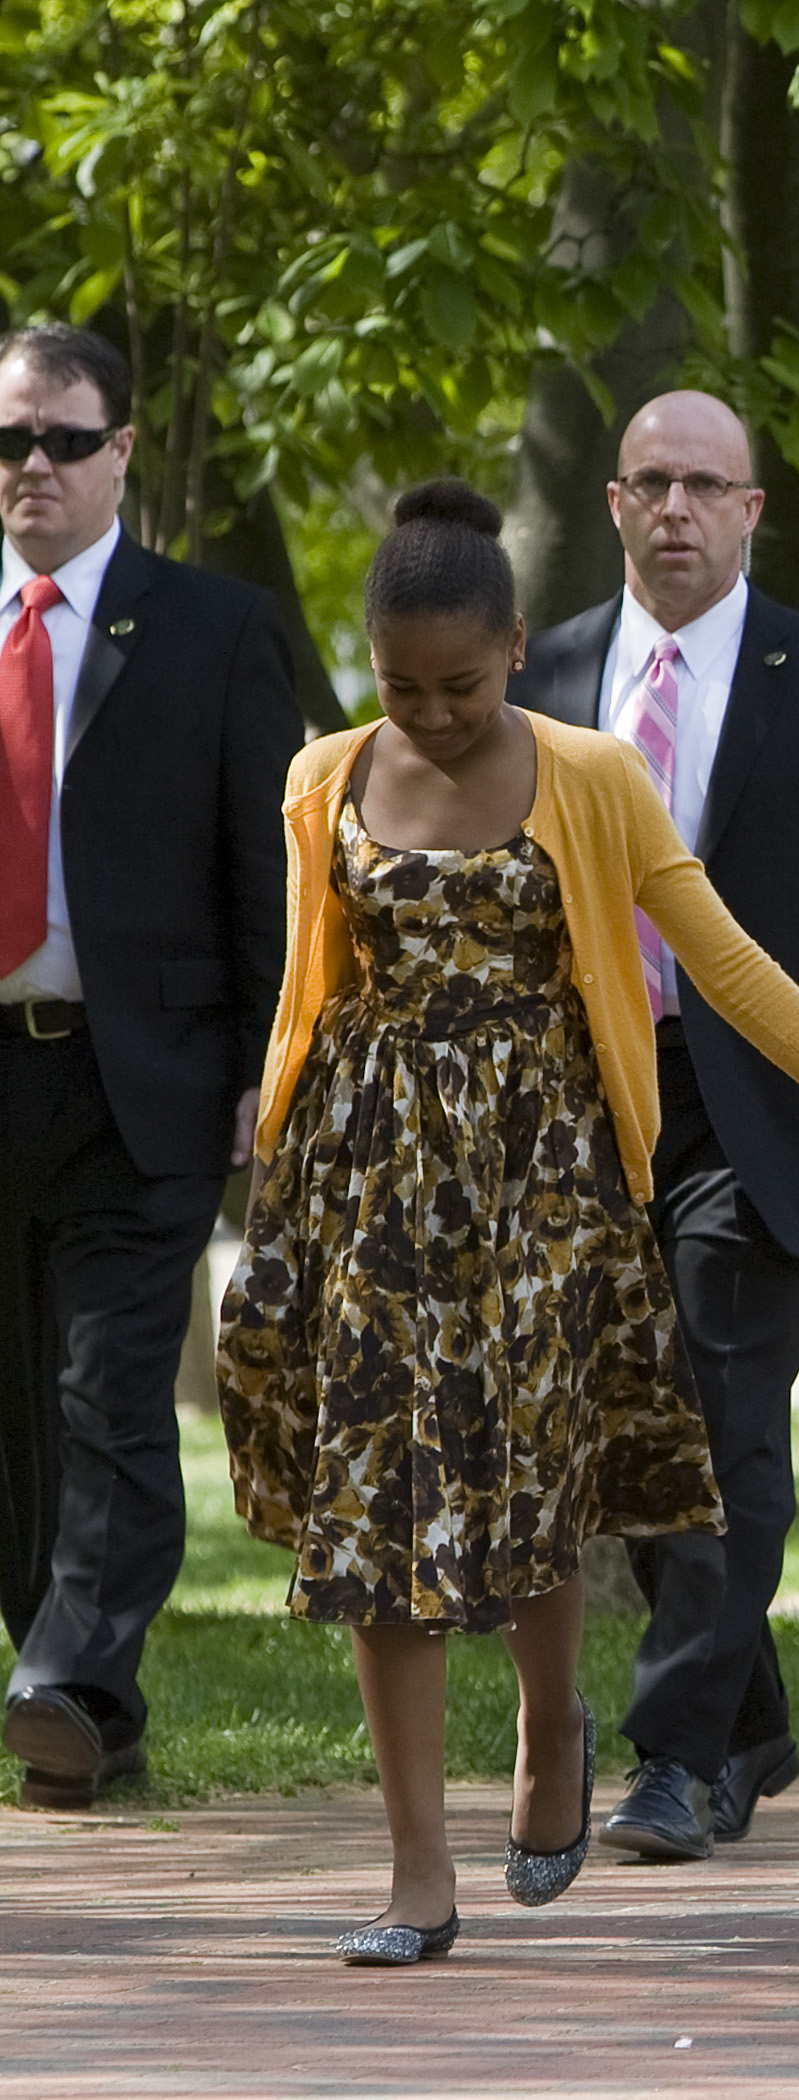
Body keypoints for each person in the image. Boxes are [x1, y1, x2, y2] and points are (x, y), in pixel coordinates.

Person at [215, 481, 799, 1964]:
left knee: (533, 1486)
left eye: (464, 683)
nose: (429, 714)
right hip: (370, 1182)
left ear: (515, 649)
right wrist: (275, 1147)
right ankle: (418, 1872)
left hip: (543, 1181)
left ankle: (553, 1725)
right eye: (400, 683)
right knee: (379, 1519)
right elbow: (309, 983)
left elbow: (728, 963)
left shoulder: (594, 774)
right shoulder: (322, 778)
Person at [509, 390, 799, 1862]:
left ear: (752, 511)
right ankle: (752, 1722)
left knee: (718, 1417)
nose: (678, 510)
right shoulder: (541, 677)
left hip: (770, 1101)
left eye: (708, 486)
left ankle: (677, 1755)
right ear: (616, 505)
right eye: (652, 485)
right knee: (627, 1432)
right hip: (588, 1102)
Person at [1, 321, 302, 1810]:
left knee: (112, 1388)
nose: (32, 470)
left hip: (150, 1081)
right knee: (14, 1409)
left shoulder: (216, 629)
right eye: (10, 443)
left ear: (123, 449)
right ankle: (81, 1701)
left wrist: (269, 1058)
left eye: (62, 440)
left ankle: (64, 1673)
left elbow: (271, 869)